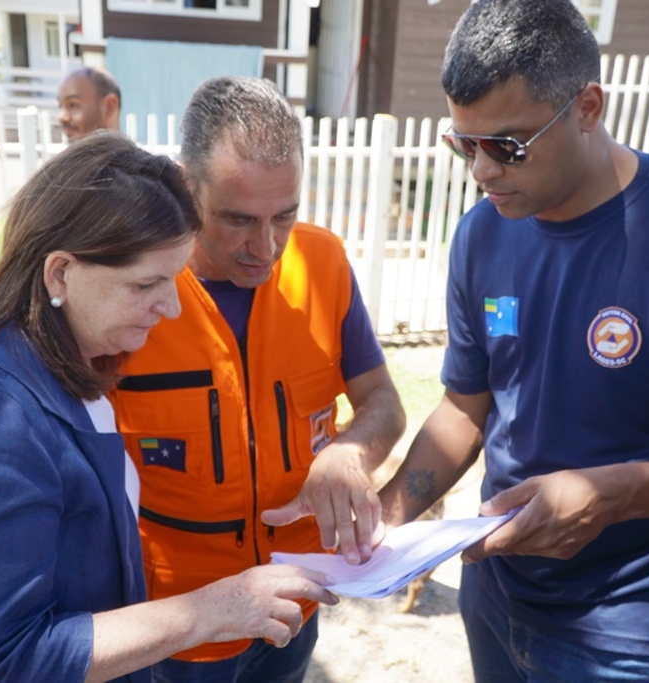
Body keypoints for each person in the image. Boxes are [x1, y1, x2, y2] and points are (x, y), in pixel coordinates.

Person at [375, 1, 649, 681]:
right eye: (464, 144)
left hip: (622, 624)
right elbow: (465, 407)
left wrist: (618, 492)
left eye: (508, 145)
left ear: (588, 107)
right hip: (495, 590)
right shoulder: (481, 235)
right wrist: (387, 513)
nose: (482, 171)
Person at [0, 133, 339, 682]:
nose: (170, 306)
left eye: (176, 277)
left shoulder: (36, 338)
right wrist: (212, 610)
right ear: (60, 273)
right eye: (148, 283)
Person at [108, 76, 405, 683]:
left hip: (293, 607)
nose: (265, 247)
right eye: (238, 219)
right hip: (172, 623)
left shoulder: (323, 264)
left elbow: (383, 403)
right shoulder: (125, 282)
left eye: (286, 215)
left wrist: (350, 455)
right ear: (186, 187)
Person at [57, 67, 121, 141]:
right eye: (60, 106)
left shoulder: (131, 152)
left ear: (110, 106)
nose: (61, 117)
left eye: (73, 105)